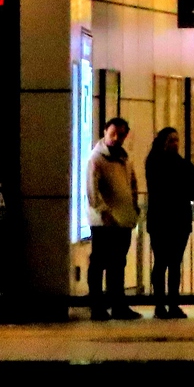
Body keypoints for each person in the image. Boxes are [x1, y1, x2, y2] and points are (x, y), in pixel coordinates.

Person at [86, 117, 140, 320]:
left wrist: (133, 208)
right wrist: (103, 212)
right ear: (105, 132)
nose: (117, 138)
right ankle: (98, 306)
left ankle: (118, 305)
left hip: (123, 220)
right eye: (113, 133)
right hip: (104, 222)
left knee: (118, 264)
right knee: (100, 262)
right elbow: (93, 191)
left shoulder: (124, 158)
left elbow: (132, 183)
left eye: (121, 134)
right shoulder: (97, 158)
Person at [145, 126, 194, 318]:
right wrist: (180, 189)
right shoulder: (155, 163)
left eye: (177, 140)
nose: (175, 144)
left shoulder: (183, 164)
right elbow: (164, 188)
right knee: (161, 262)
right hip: (161, 221)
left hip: (179, 221)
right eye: (171, 140)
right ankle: (160, 305)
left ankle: (173, 303)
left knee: (175, 263)